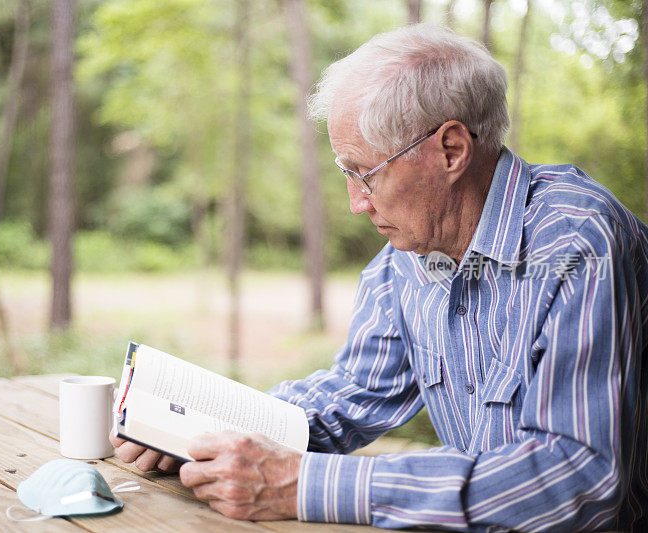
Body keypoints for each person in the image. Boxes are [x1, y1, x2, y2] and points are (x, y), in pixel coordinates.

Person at [111, 23, 648, 531]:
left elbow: (577, 475)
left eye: (362, 173)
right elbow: (353, 395)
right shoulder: (406, 261)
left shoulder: (578, 242)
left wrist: (305, 485)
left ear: (451, 150)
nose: (355, 204)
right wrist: (205, 433)